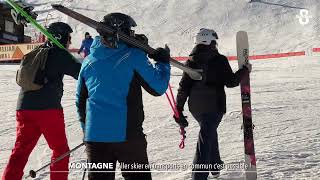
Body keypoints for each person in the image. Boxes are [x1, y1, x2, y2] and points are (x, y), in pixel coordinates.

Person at [76, 13, 171, 180]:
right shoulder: (133, 56)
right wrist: (163, 63)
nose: (132, 36)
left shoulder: (88, 60)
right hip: (127, 137)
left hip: (95, 138)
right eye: (129, 31)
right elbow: (158, 87)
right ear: (122, 32)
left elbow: (80, 101)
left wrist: (87, 131)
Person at [2, 22, 81, 180]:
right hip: (48, 110)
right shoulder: (59, 54)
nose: (70, 42)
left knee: (21, 149)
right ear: (61, 36)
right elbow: (82, 74)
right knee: (60, 150)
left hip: (24, 108)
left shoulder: (36, 52)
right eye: (69, 37)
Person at [174, 28, 251, 180]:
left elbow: (184, 88)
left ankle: (215, 166)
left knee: (208, 131)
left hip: (196, 108)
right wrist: (245, 70)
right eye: (214, 42)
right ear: (209, 42)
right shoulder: (219, 60)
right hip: (214, 107)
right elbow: (231, 82)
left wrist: (178, 109)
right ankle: (199, 176)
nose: (216, 45)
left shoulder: (190, 61)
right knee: (205, 137)